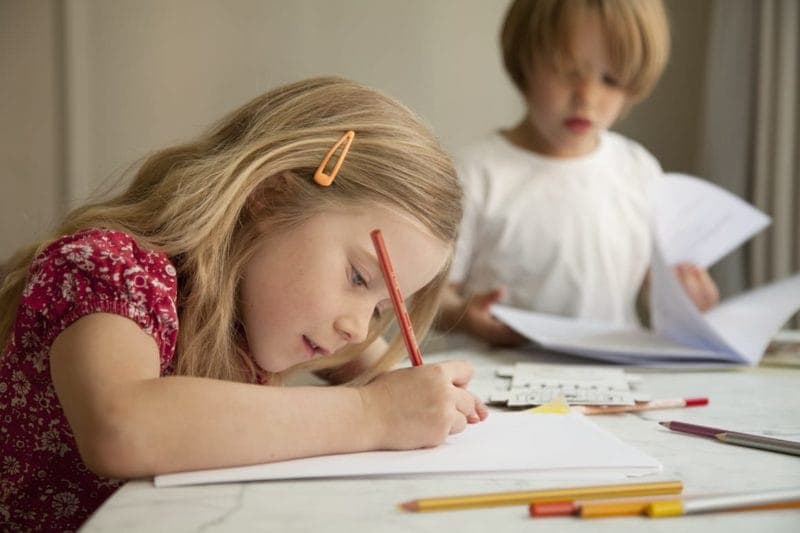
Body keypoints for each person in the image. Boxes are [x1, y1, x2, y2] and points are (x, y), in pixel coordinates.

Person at [0, 77, 488, 531]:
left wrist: (402, 386)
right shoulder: (108, 271)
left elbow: (360, 353)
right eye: (359, 277)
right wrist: (373, 412)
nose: (358, 328)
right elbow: (121, 425)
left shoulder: (252, 314)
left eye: (382, 309)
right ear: (269, 200)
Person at [438, 0, 719, 345]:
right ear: (524, 62)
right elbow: (430, 297)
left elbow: (658, 287)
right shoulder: (476, 173)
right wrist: (462, 315)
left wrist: (688, 299)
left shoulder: (637, 169)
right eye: (567, 71)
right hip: (500, 377)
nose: (587, 97)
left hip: (613, 377)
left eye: (611, 79)